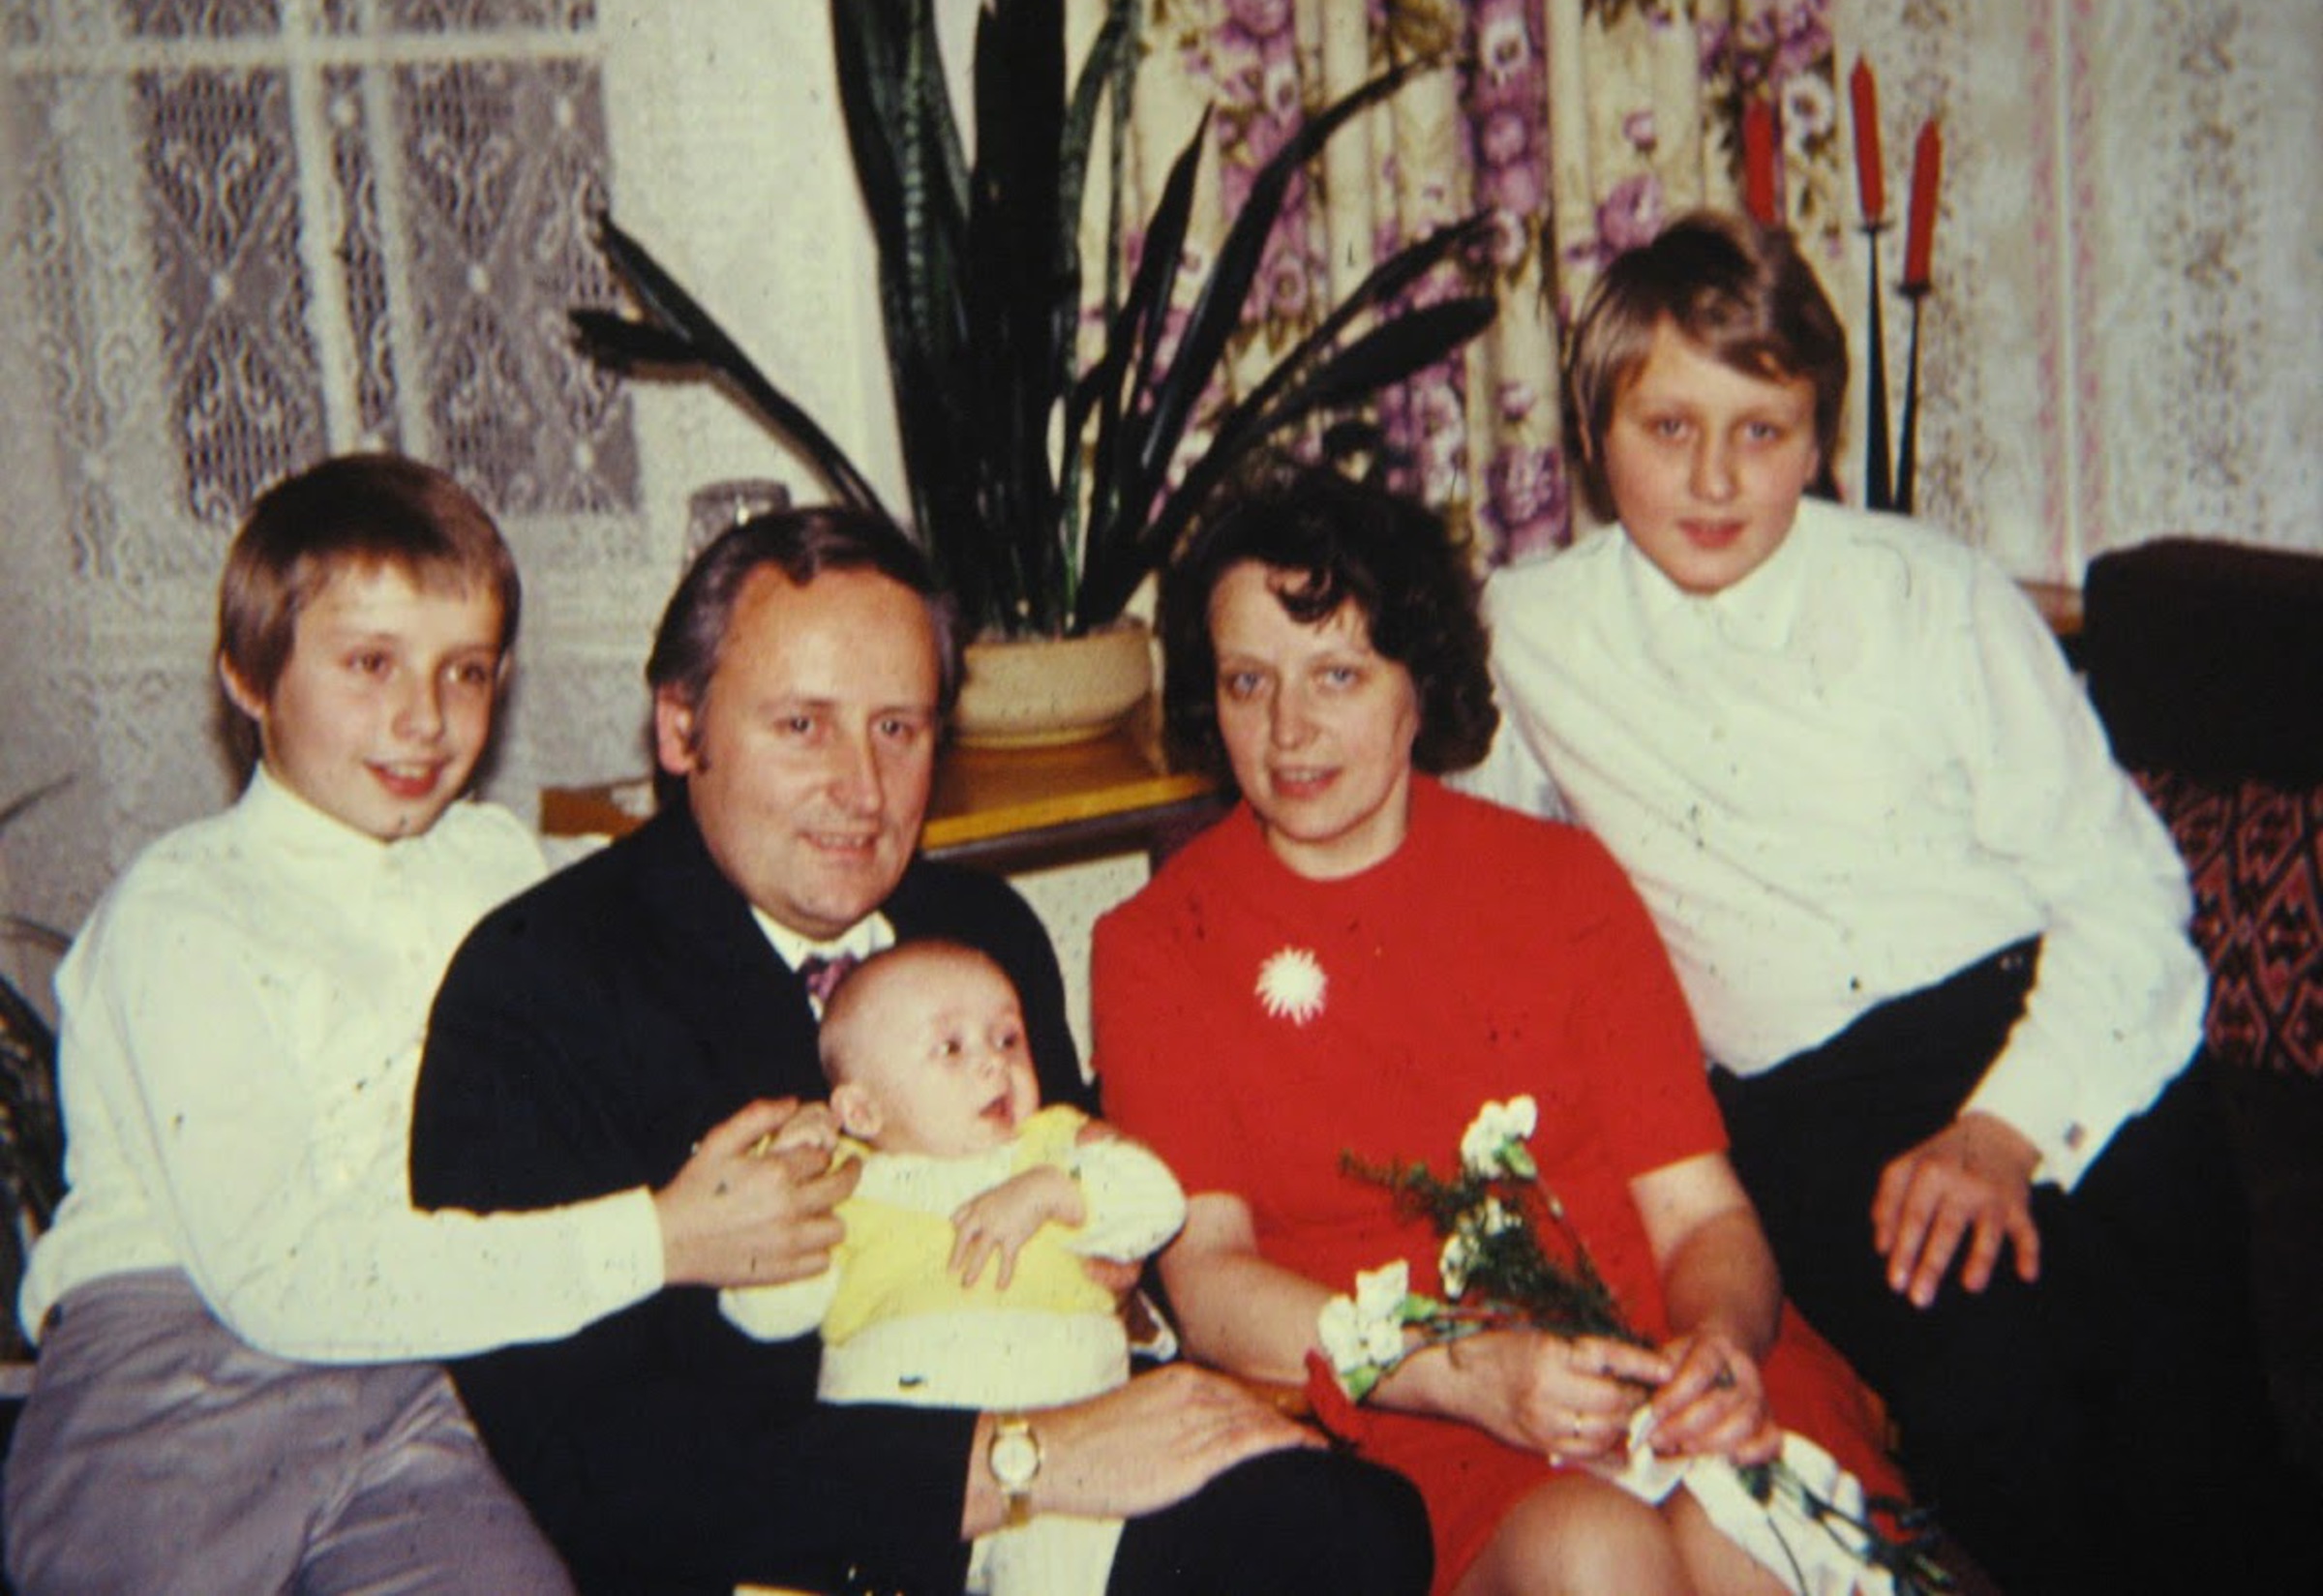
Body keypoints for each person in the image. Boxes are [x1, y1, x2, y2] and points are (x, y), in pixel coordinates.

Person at [1462, 208, 2321, 1594]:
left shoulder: (1934, 593)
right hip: (1812, 1112)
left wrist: (2003, 1129)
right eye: (1669, 427)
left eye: (1762, 430)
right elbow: (1464, 870)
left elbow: (2128, 894)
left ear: (1818, 438)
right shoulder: (1530, 631)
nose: (1715, 478)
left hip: (2055, 1035)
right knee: (2007, 1418)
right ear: (1592, 432)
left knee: (2205, 1452)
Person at [408, 505, 1433, 1596]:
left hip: (1062, 1505)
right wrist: (1027, 1456)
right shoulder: (536, 989)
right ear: (680, 727)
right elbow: (610, 1480)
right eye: (801, 725)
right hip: (794, 1559)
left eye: (898, 728)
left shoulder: (977, 933)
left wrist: (1123, 1293)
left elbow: (1095, 1224)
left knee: (1358, 1528)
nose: (861, 788)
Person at [3, 454, 831, 1594]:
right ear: (249, 673)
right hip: (187, 1361)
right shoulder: (181, 913)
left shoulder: (495, 860)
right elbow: (284, 1275)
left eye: (466, 671)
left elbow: (657, 909)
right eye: (370, 663)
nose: (424, 717)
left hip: (437, 1366)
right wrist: (661, 1237)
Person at [1092, 467, 1902, 1596]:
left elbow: (1702, 1215)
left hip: (1663, 1365)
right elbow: (1213, 1282)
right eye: (1247, 681)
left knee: (1738, 1541)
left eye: (1337, 674)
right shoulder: (1157, 944)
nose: (1289, 729)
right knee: (1596, 1552)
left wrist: (1716, 1344)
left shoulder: (1561, 880)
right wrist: (1466, 1371)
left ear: (1419, 681)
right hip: (1420, 1416)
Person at [722, 938, 1188, 1596]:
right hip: (918, 1478)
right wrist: (785, 1182)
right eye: (951, 1048)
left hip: (1074, 1453)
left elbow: (1160, 1202)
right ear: (861, 1110)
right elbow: (768, 1315)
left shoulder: (1052, 1144)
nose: (994, 1064)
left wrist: (1057, 1192)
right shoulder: (848, 1186)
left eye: (1007, 1038)